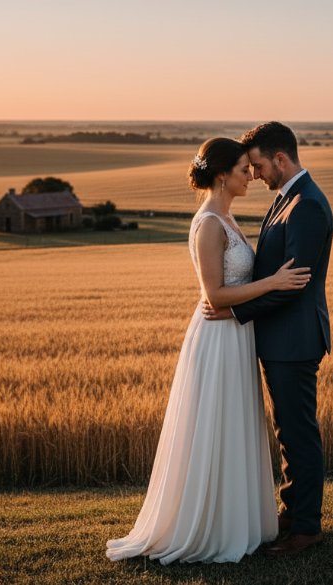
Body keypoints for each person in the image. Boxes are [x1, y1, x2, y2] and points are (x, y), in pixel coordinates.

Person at [105, 137, 311, 564]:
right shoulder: (208, 224)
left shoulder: (227, 218)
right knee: (214, 425)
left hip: (237, 334)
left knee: (233, 423)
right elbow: (214, 295)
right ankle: (208, 524)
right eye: (242, 170)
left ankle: (237, 520)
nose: (250, 176)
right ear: (221, 175)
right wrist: (273, 283)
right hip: (218, 336)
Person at [203, 121, 333, 557]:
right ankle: (293, 511)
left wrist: (234, 310)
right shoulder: (287, 199)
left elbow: (291, 283)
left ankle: (306, 528)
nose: (254, 174)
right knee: (287, 432)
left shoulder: (307, 205)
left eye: (258, 165)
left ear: (281, 158)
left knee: (298, 433)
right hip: (278, 339)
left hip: (294, 340)